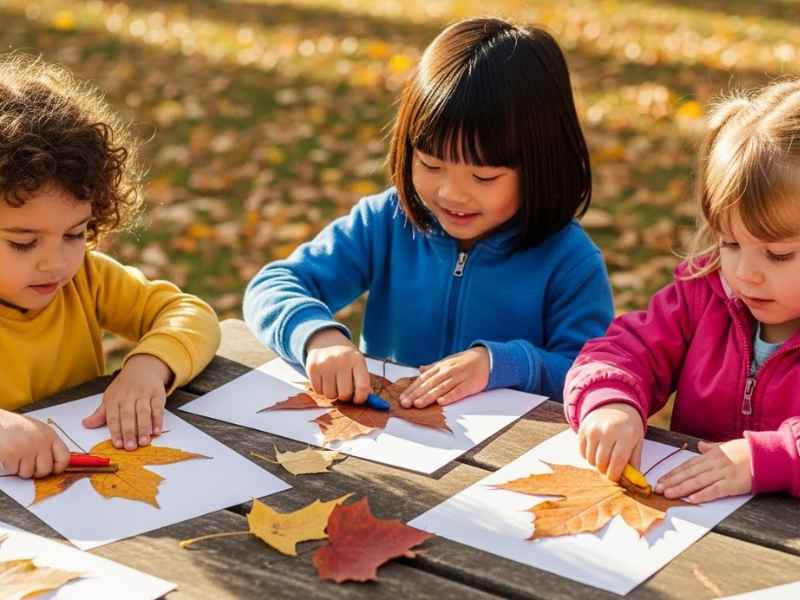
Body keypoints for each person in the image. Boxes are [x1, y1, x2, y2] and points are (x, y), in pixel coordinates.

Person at [244, 17, 613, 410]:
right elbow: (273, 285)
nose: (452, 193)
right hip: (387, 442)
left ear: (540, 166)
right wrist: (317, 337)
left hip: (501, 457)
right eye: (431, 165)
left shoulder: (569, 261)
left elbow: (592, 373)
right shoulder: (386, 222)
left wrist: (501, 364)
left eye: (484, 176)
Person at [565, 79, 800, 502]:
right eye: (730, 243)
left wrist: (768, 457)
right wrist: (610, 400)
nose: (746, 273)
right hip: (686, 532)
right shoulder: (704, 294)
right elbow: (626, 348)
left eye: (778, 255)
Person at [0, 55, 220, 479]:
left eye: (74, 234)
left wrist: (149, 366)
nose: (56, 262)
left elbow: (190, 313)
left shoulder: (86, 280)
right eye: (23, 243)